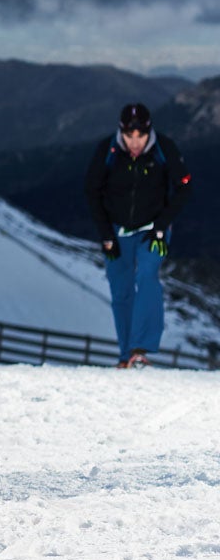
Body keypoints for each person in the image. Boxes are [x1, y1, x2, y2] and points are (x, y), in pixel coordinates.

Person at [84, 103, 191, 369]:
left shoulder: (164, 148)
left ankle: (141, 349)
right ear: (121, 132)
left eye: (140, 136)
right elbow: (92, 192)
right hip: (117, 233)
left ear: (148, 131)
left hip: (153, 231)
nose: (134, 143)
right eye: (129, 136)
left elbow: (184, 188)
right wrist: (106, 234)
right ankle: (126, 356)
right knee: (121, 292)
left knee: (147, 275)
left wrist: (161, 225)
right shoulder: (107, 150)